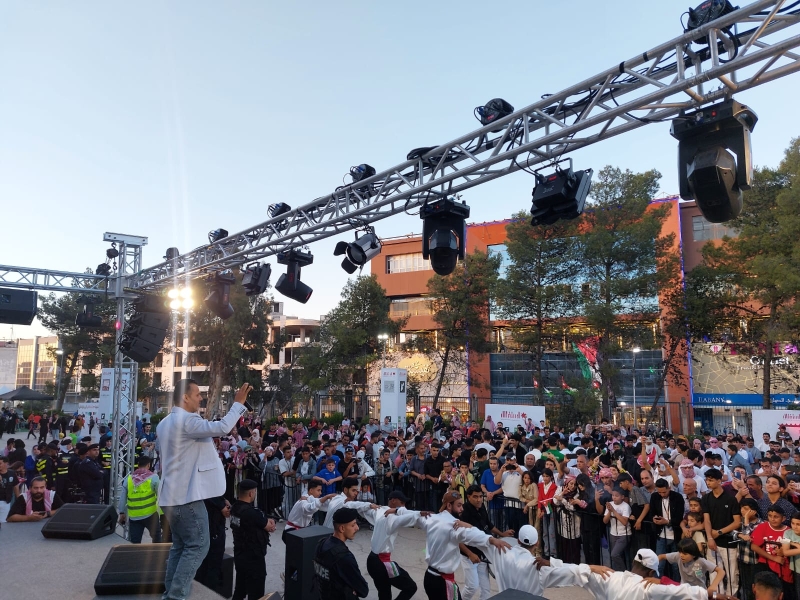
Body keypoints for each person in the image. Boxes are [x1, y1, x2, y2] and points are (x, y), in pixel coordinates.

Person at [156, 379, 250, 600]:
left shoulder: (165, 423)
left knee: (180, 546)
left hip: (171, 497)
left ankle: (170, 592)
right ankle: (176, 596)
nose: (201, 398)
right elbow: (222, 428)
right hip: (186, 498)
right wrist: (238, 404)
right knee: (198, 545)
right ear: (185, 397)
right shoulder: (187, 421)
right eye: (197, 394)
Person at [418, 490, 511, 600]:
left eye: (480, 496)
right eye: (458, 505)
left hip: (431, 576)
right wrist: (491, 540)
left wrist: (403, 512)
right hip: (441, 581)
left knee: (483, 588)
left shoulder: (433, 519)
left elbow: (409, 516)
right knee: (472, 586)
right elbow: (470, 535)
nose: (461, 509)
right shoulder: (453, 525)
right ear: (449, 506)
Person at [495, 525, 613, 595]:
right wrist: (590, 568)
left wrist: (494, 539)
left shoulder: (502, 552)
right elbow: (567, 572)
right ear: (537, 543)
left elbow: (483, 538)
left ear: (518, 541)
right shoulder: (539, 567)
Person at [581, 548, 735, 600]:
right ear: (651, 572)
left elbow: (576, 573)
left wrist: (589, 567)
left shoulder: (610, 577)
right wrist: (716, 595)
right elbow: (681, 591)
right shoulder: (649, 588)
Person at [367, 490, 429, 600]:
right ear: (393, 501)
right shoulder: (392, 517)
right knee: (410, 587)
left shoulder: (380, 511)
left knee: (384, 593)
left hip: (372, 560)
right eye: (402, 503)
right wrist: (418, 514)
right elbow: (406, 517)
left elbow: (361, 508)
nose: (404, 506)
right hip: (382, 562)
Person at [458, 484, 515, 599]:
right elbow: (458, 538)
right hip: (469, 556)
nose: (479, 500)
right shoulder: (463, 512)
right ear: (468, 497)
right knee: (472, 587)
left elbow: (488, 525)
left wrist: (502, 534)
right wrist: (470, 554)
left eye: (480, 496)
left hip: (483, 554)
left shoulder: (482, 506)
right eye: (475, 497)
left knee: (486, 590)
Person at [230, 478, 277, 600]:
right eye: (255, 492)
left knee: (240, 589)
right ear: (251, 493)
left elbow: (262, 522)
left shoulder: (235, 508)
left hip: (240, 554)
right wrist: (269, 522)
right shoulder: (251, 513)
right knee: (256, 592)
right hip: (253, 557)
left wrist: (266, 520)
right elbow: (269, 526)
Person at [314, 507, 370, 599]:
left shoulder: (321, 544)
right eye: (353, 525)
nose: (357, 528)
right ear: (342, 528)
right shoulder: (343, 557)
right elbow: (363, 590)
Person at [702, 467, 742, 597]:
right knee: (714, 573)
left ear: (719, 481)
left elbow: (737, 522)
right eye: (707, 480)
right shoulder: (706, 498)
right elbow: (706, 520)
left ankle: (731, 597)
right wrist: (710, 538)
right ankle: (717, 597)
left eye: (711, 480)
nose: (708, 483)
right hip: (713, 542)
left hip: (728, 542)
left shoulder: (730, 499)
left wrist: (719, 532)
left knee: (732, 574)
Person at [750, 504, 794, 599]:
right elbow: (754, 546)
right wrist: (773, 558)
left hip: (784, 568)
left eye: (776, 517)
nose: (772, 519)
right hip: (765, 565)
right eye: (770, 516)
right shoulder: (762, 527)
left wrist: (783, 552)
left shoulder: (789, 531)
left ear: (783, 518)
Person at [118, 455, 161, 543]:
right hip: (150, 514)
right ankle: (156, 552)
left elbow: (122, 498)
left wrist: (122, 512)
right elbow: (161, 495)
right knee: (157, 539)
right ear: (148, 465)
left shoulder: (128, 479)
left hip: (134, 516)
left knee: (135, 543)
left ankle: (136, 552)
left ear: (138, 465)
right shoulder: (154, 478)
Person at [659, 537, 724, 591]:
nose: (681, 555)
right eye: (680, 552)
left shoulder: (700, 561)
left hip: (699, 591)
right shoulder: (678, 556)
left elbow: (721, 571)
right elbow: (661, 556)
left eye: (685, 554)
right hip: (684, 589)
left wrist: (713, 586)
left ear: (693, 554)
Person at [0, 456, 20, 522]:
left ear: (6, 463)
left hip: (6, 501)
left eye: (0, 463)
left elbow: (15, 486)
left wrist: (19, 498)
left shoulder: (11, 473)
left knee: (3, 521)